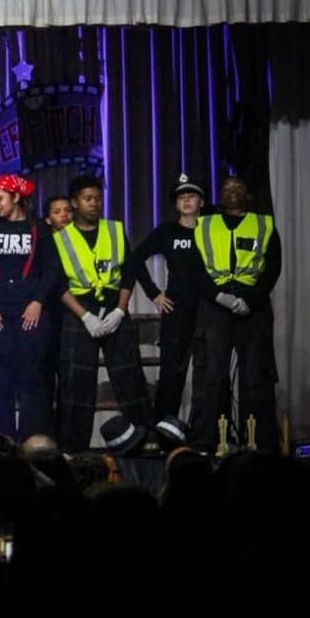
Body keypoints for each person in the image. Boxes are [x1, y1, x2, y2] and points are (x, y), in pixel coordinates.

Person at [52, 175, 151, 451]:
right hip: (79, 312)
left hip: (114, 308)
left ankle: (144, 443)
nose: (94, 204)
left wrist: (120, 310)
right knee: (76, 381)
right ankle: (73, 450)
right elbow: (58, 284)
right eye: (88, 199)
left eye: (97, 198)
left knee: (130, 376)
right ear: (75, 203)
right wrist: (85, 316)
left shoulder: (115, 230)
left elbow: (129, 271)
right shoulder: (60, 239)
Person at [189, 175, 282, 450]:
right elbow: (194, 267)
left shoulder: (263, 224)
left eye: (238, 187)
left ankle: (257, 442)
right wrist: (219, 296)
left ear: (247, 194)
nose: (232, 191)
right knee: (214, 375)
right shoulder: (204, 224)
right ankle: (212, 442)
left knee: (255, 375)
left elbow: (273, 267)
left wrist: (250, 300)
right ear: (220, 193)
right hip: (215, 304)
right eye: (227, 187)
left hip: (253, 306)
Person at [0, 174, 61, 440]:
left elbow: (52, 270)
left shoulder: (38, 228)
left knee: (31, 378)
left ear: (16, 197)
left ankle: (31, 440)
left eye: (0, 198)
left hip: (29, 312)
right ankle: (3, 440)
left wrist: (38, 301)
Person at [129, 174, 207, 421]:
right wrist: (154, 294)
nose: (186, 201)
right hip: (177, 309)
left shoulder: (212, 229)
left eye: (191, 196)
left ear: (202, 202)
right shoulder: (167, 231)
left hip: (209, 308)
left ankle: (207, 431)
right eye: (181, 197)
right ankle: (164, 430)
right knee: (172, 374)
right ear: (175, 204)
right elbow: (134, 259)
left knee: (210, 374)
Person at [40, 195, 74, 415]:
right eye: (57, 212)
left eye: (67, 211)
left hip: (73, 314)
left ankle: (67, 429)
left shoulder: (80, 242)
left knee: (70, 379)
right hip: (47, 315)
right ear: (47, 219)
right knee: (45, 377)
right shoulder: (41, 245)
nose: (64, 215)